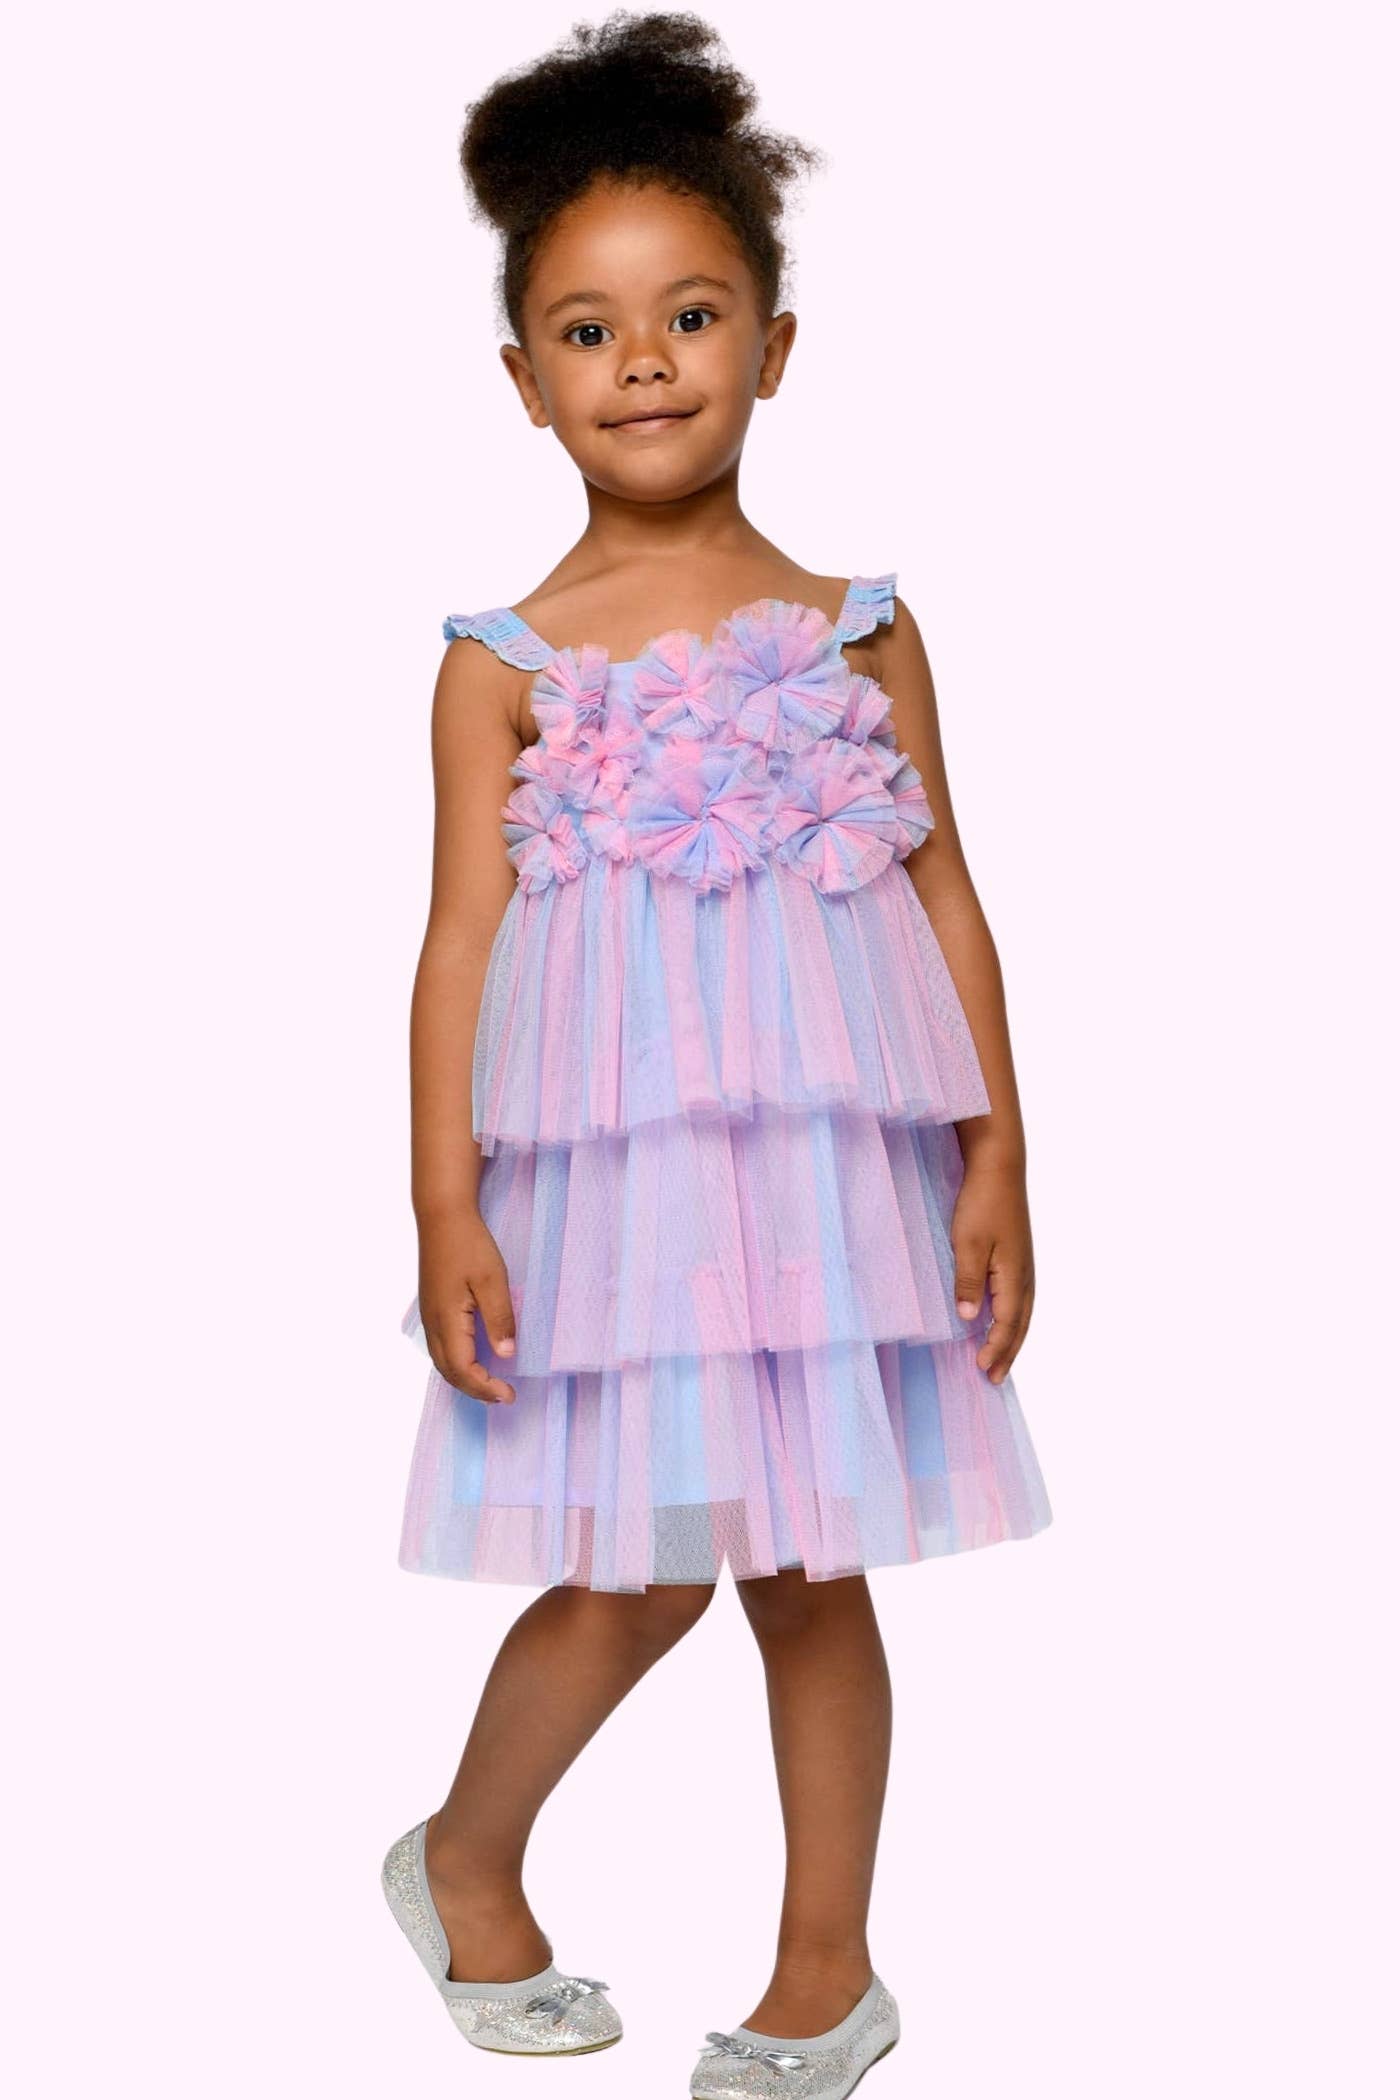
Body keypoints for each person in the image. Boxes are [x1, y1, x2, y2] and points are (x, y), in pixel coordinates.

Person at [381, 12, 1053, 2094]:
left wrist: (997, 1156)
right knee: (637, 1574)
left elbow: (943, 899)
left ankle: (826, 1975)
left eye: (690, 314)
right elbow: (461, 943)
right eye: (588, 331)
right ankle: (461, 1856)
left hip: (826, 1194)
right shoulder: (501, 667)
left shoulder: (860, 630)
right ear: (523, 380)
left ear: (774, 344)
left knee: (811, 1572)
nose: (645, 361)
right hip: (618, 1192)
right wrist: (444, 1206)